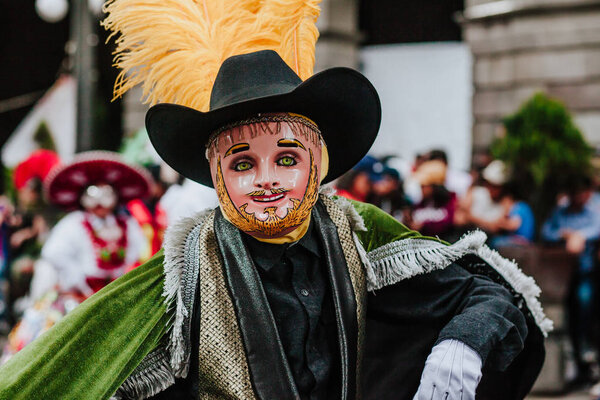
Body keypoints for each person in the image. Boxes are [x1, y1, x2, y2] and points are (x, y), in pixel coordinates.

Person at [0, 2, 549, 399]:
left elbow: (491, 295)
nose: (266, 179)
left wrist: (460, 347)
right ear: (217, 177)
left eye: (287, 157)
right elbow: (79, 369)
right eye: (242, 163)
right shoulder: (182, 279)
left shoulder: (361, 235)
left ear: (317, 162)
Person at [0, 152, 149, 362]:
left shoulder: (127, 224)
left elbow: (137, 253)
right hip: (76, 297)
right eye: (93, 195)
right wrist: (78, 281)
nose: (100, 203)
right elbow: (53, 252)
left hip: (114, 295)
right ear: (83, 197)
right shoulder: (75, 223)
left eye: (106, 195)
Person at [542, 174, 600, 384]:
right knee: (567, 318)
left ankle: (586, 351)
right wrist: (565, 235)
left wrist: (579, 235)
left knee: (585, 308)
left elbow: (595, 229)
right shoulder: (561, 212)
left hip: (586, 272)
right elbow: (547, 231)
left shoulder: (594, 212)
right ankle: (576, 359)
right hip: (561, 276)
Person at [406, 160, 457, 240]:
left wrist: (424, 226)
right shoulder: (422, 203)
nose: (421, 189)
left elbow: (448, 222)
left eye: (424, 186)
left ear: (435, 186)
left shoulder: (450, 201)